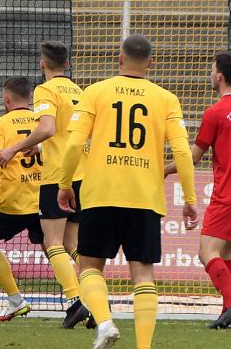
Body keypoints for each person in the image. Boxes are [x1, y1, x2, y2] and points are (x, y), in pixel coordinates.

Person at [58, 34, 197, 349]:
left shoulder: (95, 92)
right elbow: (182, 152)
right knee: (143, 275)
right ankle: (143, 347)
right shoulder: (166, 99)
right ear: (150, 64)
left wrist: (64, 185)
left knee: (89, 267)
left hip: (100, 193)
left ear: (119, 59)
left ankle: (105, 323)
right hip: (145, 197)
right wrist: (190, 199)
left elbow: (74, 144)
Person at [0, 41, 90, 328]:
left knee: (53, 242)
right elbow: (70, 133)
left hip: (58, 176)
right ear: (68, 64)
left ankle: (76, 301)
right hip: (82, 173)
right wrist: (41, 148)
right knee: (73, 244)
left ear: (42, 64)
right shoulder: (79, 91)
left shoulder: (46, 90)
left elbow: (47, 128)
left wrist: (14, 148)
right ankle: (94, 298)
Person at [165, 50, 231, 329]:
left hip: (226, 195)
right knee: (226, 254)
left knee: (207, 252)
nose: (210, 74)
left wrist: (161, 170)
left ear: (220, 76)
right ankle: (227, 311)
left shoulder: (215, 113)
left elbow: (191, 157)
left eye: (212, 69)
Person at [0, 76, 43, 322]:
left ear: (7, 99)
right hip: (44, 198)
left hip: (15, 201)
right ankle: (81, 298)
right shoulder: (44, 122)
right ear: (30, 97)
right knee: (56, 248)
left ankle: (16, 300)